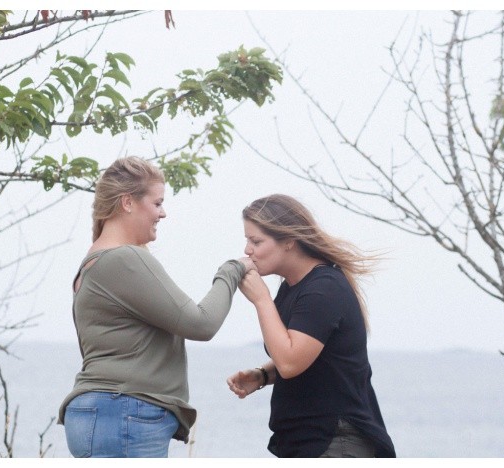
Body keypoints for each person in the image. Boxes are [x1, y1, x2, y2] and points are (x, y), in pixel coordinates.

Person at [58, 156, 251, 458]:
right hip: (126, 412)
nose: (163, 213)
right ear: (128, 202)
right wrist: (232, 271)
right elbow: (201, 324)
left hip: (91, 412)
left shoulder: (92, 262)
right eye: (158, 203)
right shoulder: (124, 259)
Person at [226, 194, 396, 458]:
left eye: (256, 241)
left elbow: (291, 363)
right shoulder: (292, 287)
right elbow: (312, 357)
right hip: (307, 441)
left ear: (289, 241)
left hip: (336, 441)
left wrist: (261, 300)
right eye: (247, 240)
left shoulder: (323, 289)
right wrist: (262, 376)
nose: (247, 250)